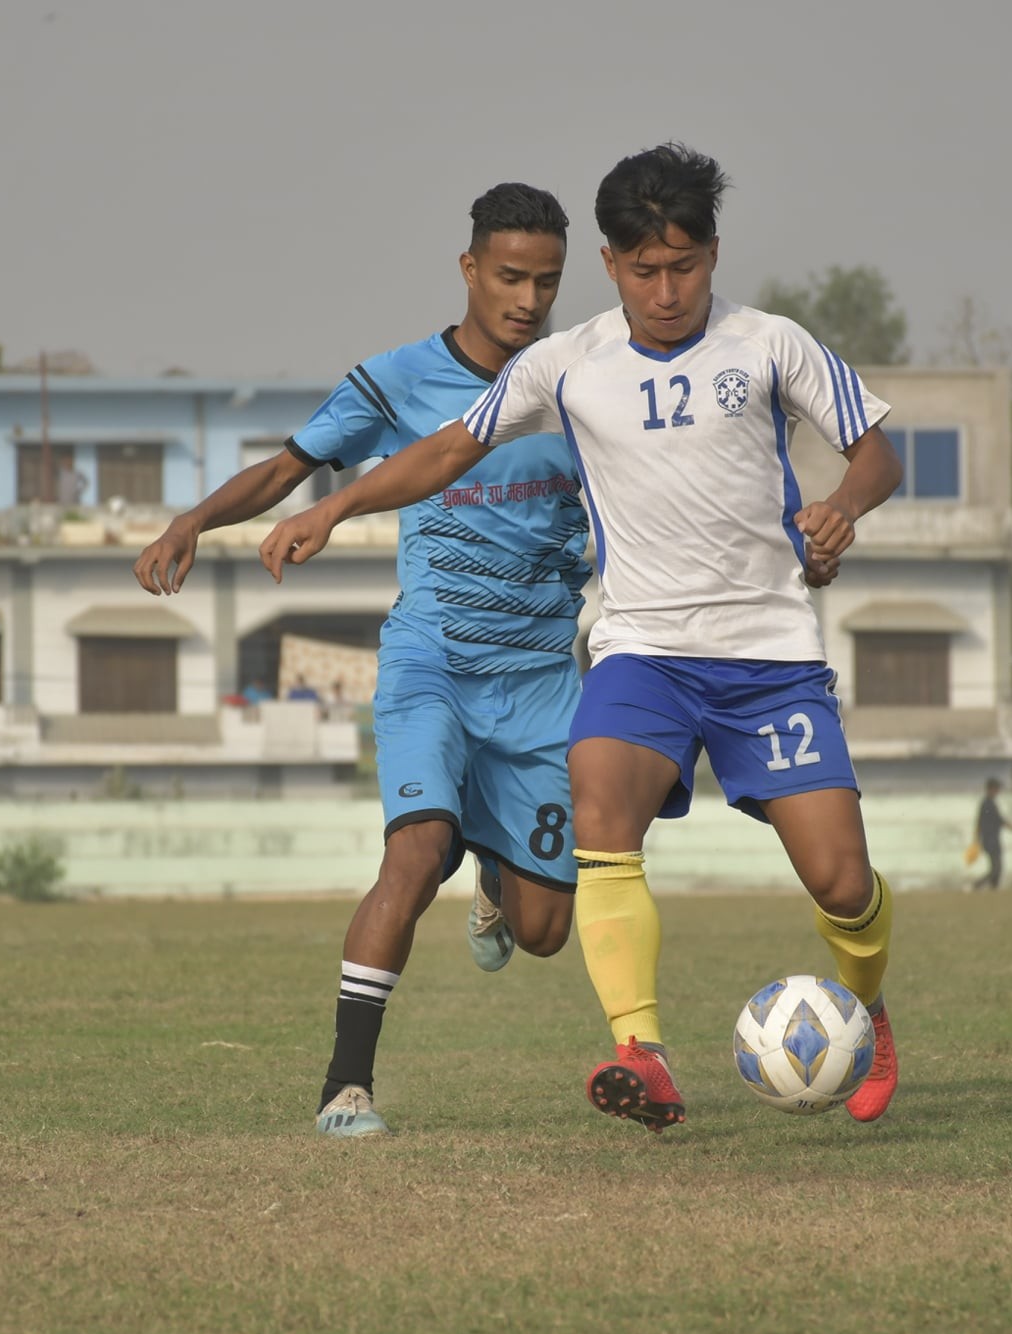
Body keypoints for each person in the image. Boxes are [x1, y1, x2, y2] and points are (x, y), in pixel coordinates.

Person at [260, 143, 902, 1131]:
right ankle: (639, 1056)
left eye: (683, 267)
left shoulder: (769, 344)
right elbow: (443, 451)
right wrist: (334, 509)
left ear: (713, 254)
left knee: (840, 882)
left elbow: (873, 454)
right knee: (602, 817)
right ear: (609, 264)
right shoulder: (566, 366)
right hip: (637, 652)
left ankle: (870, 1008)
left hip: (767, 658)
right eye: (643, 270)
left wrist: (841, 510)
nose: (664, 289)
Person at [134, 183, 589, 1137]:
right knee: (415, 855)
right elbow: (288, 467)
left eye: (546, 282)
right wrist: (194, 520)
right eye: (509, 276)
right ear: (470, 269)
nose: (527, 299)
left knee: (546, 936)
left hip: (545, 680)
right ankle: (346, 1087)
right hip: (433, 663)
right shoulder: (399, 378)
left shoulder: (582, 384)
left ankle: (498, 880)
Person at [970, 777, 1012, 891]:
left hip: (991, 839)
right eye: (996, 789)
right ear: (991, 789)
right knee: (996, 869)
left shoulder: (988, 803)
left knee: (997, 868)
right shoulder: (988, 804)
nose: (998, 791)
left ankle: (993, 890)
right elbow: (1001, 822)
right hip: (991, 841)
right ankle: (977, 885)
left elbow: (981, 822)